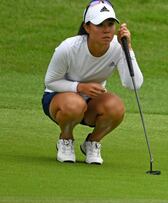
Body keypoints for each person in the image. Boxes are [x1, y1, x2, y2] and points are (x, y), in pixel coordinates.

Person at [42, 0, 143, 165]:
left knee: (116, 107)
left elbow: (133, 84)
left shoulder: (118, 48)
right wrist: (79, 87)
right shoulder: (68, 47)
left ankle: (92, 142)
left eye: (110, 24)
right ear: (87, 27)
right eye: (100, 25)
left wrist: (128, 48)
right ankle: (65, 139)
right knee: (74, 104)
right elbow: (51, 81)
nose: (106, 30)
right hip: (58, 99)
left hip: (91, 103)